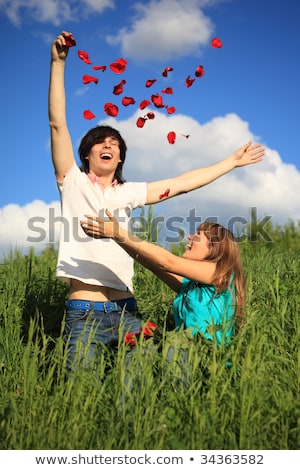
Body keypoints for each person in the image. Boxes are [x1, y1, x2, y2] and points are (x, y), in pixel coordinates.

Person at [49, 31, 264, 369]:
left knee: (139, 391)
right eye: (99, 142)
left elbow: (181, 184)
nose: (108, 146)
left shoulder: (129, 192)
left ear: (120, 158)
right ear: (86, 154)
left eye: (115, 144)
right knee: (80, 388)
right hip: (83, 312)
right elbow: (57, 124)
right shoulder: (71, 181)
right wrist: (58, 65)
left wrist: (231, 162)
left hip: (126, 310)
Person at [81, 212, 245, 348]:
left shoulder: (221, 274)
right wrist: (117, 237)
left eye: (198, 235)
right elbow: (155, 265)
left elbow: (167, 262)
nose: (190, 236)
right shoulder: (190, 286)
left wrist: (119, 233)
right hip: (188, 355)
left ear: (214, 248)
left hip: (211, 360)